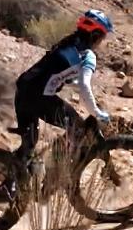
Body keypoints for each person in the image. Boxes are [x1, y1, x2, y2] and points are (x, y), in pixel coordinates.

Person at [13, 9, 115, 167]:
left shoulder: (67, 42)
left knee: (29, 145)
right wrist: (96, 112)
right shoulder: (87, 55)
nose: (101, 42)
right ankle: (55, 171)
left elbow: (57, 73)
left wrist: (72, 84)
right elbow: (84, 85)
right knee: (78, 129)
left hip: (23, 90)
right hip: (40, 97)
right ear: (95, 35)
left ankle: (12, 179)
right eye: (102, 37)